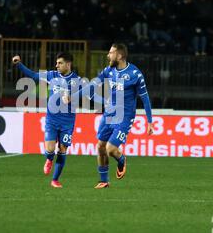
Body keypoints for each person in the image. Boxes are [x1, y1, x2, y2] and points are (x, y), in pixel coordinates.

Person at [67, 43, 154, 189]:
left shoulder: (135, 74)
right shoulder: (109, 70)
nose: (108, 55)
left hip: (125, 117)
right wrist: (73, 96)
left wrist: (150, 122)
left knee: (111, 149)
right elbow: (92, 85)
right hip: (109, 114)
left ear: (119, 56)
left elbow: (145, 98)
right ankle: (104, 181)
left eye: (111, 53)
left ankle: (121, 160)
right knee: (100, 146)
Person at [12, 52, 80, 188]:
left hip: (67, 122)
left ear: (68, 64)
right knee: (50, 148)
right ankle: (49, 159)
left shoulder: (76, 80)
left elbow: (84, 96)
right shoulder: (51, 75)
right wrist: (19, 64)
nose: (57, 66)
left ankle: (55, 180)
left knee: (62, 149)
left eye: (60, 63)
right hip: (52, 120)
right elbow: (33, 75)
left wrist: (72, 98)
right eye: (56, 63)